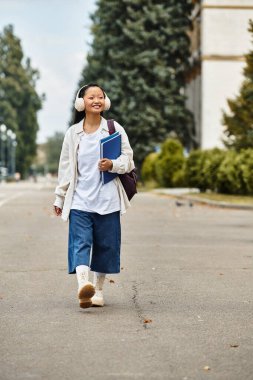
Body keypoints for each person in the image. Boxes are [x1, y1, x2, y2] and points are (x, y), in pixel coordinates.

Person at [53, 83, 135, 309]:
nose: (97, 100)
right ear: (82, 103)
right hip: (80, 200)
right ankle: (83, 285)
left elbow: (128, 160)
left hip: (108, 200)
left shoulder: (113, 128)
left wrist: (112, 164)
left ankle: (98, 291)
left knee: (105, 246)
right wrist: (59, 198)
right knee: (80, 243)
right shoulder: (73, 133)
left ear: (105, 102)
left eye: (100, 97)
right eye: (91, 97)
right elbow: (66, 168)